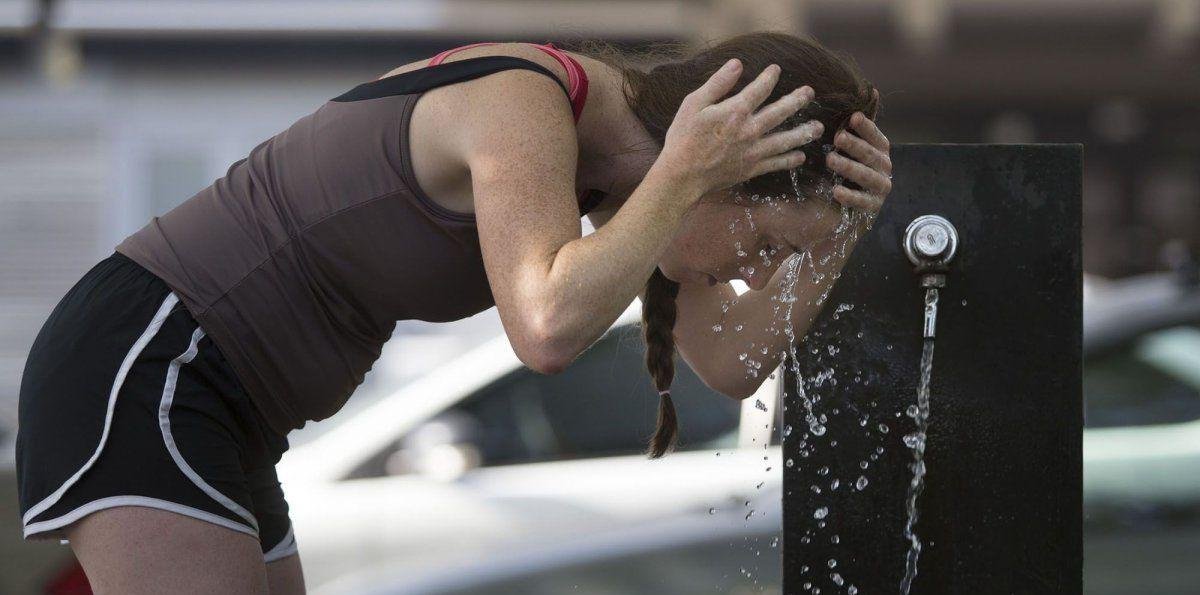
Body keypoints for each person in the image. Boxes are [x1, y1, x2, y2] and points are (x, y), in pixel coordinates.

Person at [16, 30, 891, 594]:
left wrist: (840, 234)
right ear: (718, 167)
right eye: (772, 241)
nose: (758, 269)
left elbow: (730, 365)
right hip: (152, 359)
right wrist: (681, 178)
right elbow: (544, 328)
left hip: (236, 410)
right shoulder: (525, 104)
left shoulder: (646, 194)